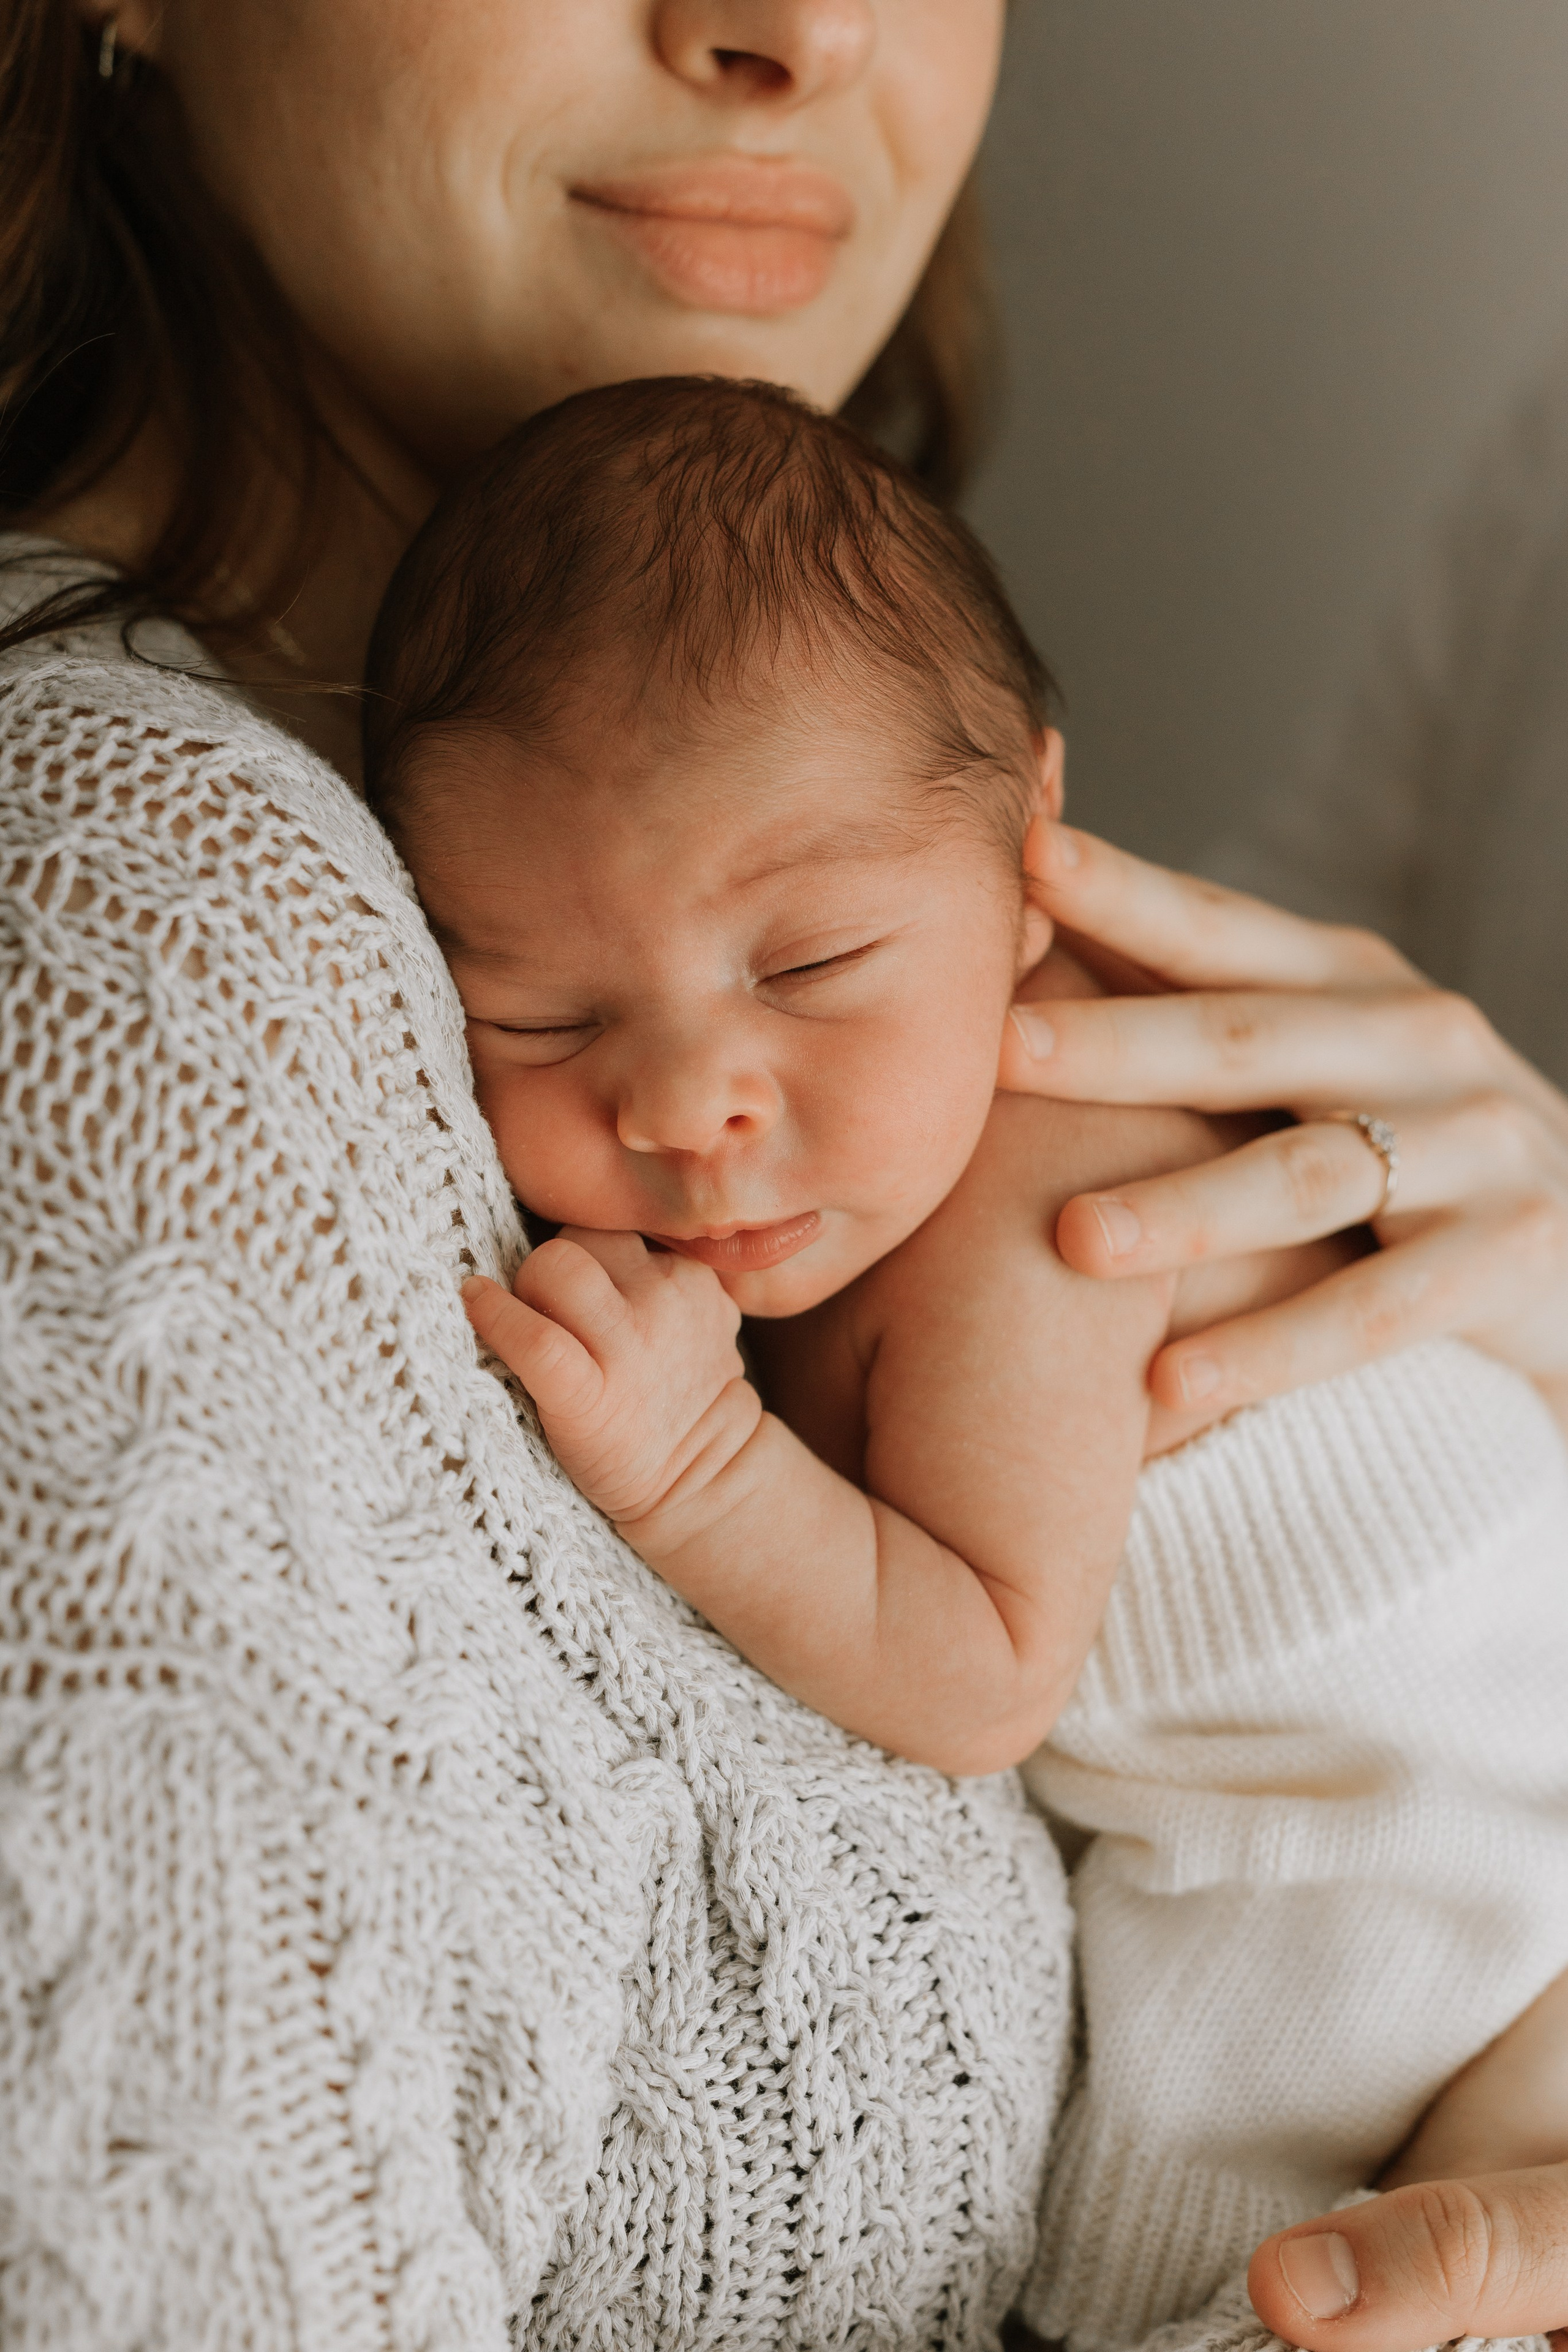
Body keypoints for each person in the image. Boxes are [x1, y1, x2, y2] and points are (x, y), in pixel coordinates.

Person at [3, 2, 1568, 2344]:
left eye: (817, 955)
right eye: (535, 1011)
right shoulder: (137, 918)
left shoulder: (958, 1051)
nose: (802, 19)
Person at [361, 369, 1568, 2351]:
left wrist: (693, 1473)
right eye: (546, 1015)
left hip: (1417, 1780)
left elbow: (984, 1664)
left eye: (810, 969)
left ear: (1031, 863)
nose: (690, 1103)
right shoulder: (862, 1118)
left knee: (1221, 2234)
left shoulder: (1047, 1191)